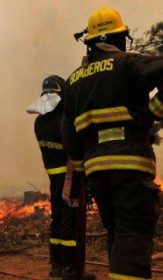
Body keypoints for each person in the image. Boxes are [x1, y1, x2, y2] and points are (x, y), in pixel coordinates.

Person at [61, 7, 163, 280]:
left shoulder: (72, 82)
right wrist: (152, 112)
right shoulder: (127, 63)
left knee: (117, 234)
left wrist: (83, 174)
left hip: (97, 173)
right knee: (132, 235)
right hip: (130, 164)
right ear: (117, 39)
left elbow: (69, 136)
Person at [27, 75, 95, 280]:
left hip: (54, 178)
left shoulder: (39, 122)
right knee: (70, 221)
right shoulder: (65, 120)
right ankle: (71, 269)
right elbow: (76, 144)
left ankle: (56, 267)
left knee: (57, 219)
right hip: (70, 175)